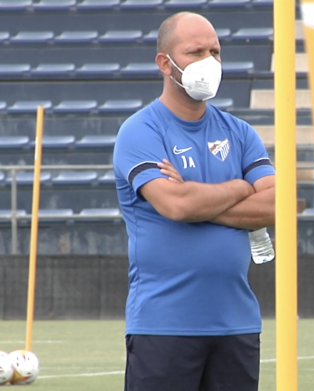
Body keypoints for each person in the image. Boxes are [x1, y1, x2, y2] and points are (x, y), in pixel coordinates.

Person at [112, 11, 275, 391]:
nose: (209, 62)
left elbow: (276, 205)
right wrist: (240, 187)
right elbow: (176, 205)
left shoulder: (240, 132)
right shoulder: (140, 130)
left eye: (215, 51)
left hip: (237, 326)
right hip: (163, 326)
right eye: (195, 51)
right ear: (165, 63)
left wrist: (199, 198)